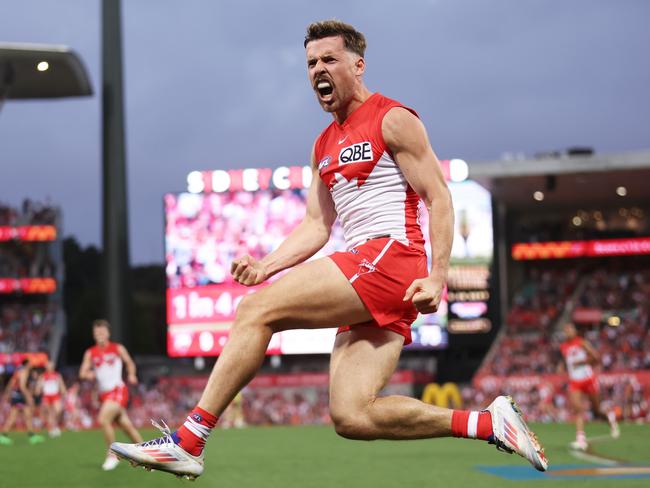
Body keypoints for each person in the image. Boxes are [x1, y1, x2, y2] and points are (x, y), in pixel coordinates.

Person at [111, 20, 547, 479]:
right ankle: (487, 422)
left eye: (329, 59)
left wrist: (439, 273)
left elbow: (440, 196)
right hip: (370, 274)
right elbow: (317, 225)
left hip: (391, 259)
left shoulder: (392, 118)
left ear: (358, 66)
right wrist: (265, 266)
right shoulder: (322, 144)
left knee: (256, 311)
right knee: (353, 416)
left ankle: (189, 439)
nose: (318, 69)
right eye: (311, 63)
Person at [79, 319, 143, 470]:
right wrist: (89, 374)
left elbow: (129, 362)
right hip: (104, 395)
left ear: (108, 333)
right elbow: (82, 372)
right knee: (126, 426)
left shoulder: (117, 348)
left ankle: (113, 455)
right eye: (96, 332)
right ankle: (146, 454)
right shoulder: (90, 353)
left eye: (102, 331)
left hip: (118, 390)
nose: (99, 334)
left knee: (103, 419)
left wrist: (132, 374)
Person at [559, 322, 619, 451]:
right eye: (566, 330)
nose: (568, 332)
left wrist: (582, 362)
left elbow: (596, 357)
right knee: (578, 409)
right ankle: (581, 439)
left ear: (574, 331)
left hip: (588, 380)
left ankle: (610, 419)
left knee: (597, 411)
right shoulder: (563, 347)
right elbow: (567, 362)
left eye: (570, 329)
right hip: (575, 381)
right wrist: (562, 367)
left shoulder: (581, 343)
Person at [0, 359, 45, 445]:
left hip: (17, 396)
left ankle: (32, 436)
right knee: (13, 416)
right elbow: (22, 386)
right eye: (30, 363)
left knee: (27, 415)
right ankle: (3, 435)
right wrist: (29, 397)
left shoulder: (19, 371)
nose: (32, 365)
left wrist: (7, 393)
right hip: (19, 397)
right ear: (27, 364)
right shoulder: (24, 372)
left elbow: (11, 382)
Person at [36, 361, 68, 437]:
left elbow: (61, 384)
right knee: (50, 413)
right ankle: (52, 429)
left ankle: (55, 426)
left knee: (58, 410)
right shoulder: (43, 376)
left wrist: (64, 391)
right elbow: (39, 385)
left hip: (55, 395)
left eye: (51, 365)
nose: (50, 367)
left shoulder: (57, 375)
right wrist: (38, 390)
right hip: (47, 396)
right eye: (49, 365)